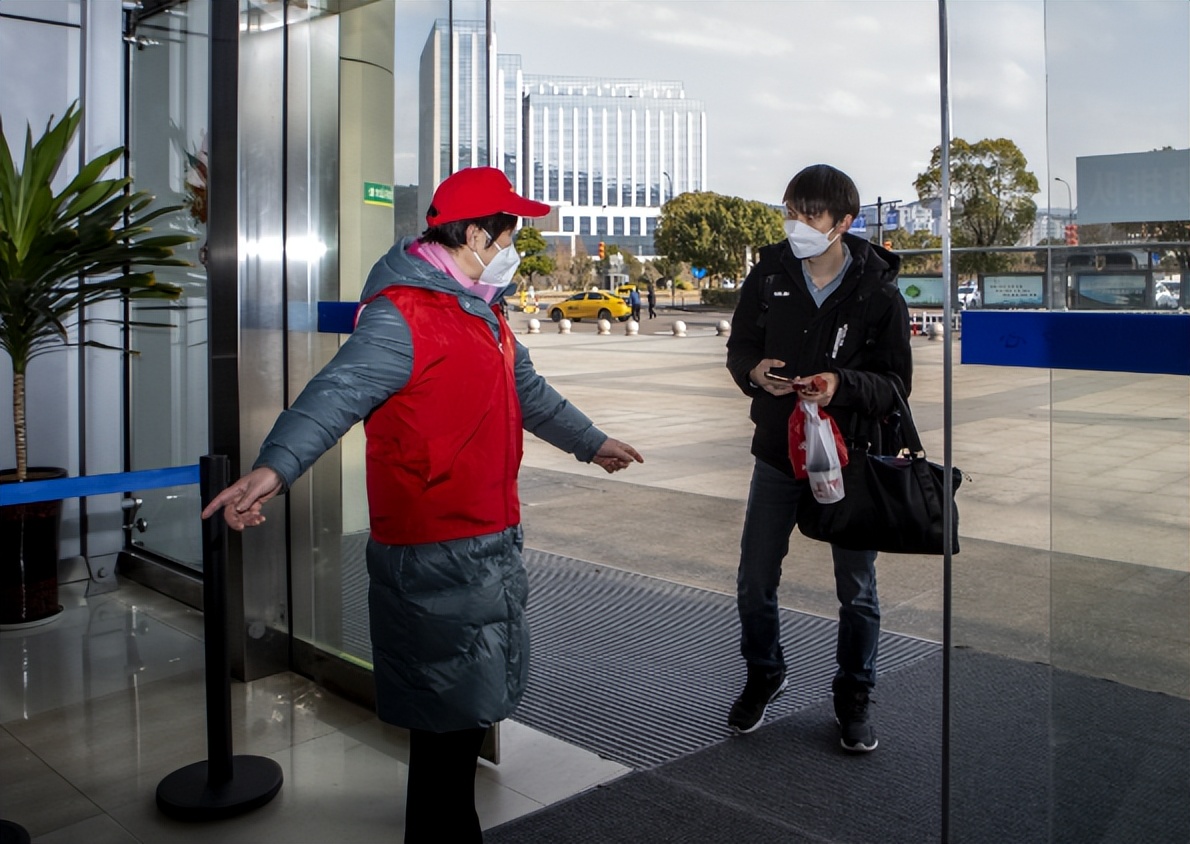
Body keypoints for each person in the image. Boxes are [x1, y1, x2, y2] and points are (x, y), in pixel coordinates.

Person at [201, 166, 643, 842]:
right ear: (473, 235)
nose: (513, 247)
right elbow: (332, 396)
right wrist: (274, 469)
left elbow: (530, 393)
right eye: (508, 234)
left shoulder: (483, 312)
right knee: (444, 740)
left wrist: (592, 442)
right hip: (432, 550)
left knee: (459, 729)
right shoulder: (403, 314)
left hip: (489, 540)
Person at [723, 164, 911, 752]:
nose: (796, 224)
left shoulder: (878, 291)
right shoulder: (771, 272)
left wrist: (840, 384)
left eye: (810, 214)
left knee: (856, 587)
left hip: (849, 460)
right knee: (755, 579)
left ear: (844, 223)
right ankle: (765, 673)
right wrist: (754, 373)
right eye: (791, 211)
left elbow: (895, 384)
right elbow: (741, 347)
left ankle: (854, 693)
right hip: (779, 453)